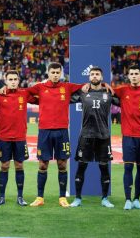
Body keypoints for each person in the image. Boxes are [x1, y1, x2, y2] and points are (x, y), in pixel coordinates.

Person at [25, 62, 84, 207]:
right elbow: (24, 93)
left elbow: (86, 86)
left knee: (62, 164)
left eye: (58, 72)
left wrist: (104, 86)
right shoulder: (40, 87)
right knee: (43, 164)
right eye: (53, 72)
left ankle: (62, 197)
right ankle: (40, 198)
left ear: (61, 73)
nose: (56, 75)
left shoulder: (67, 87)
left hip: (62, 131)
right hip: (44, 131)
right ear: (48, 73)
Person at [69, 66, 118, 208]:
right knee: (81, 166)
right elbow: (64, 97)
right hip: (86, 135)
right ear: (89, 77)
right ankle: (77, 198)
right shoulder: (83, 92)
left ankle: (104, 198)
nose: (94, 76)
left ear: (102, 78)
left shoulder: (108, 93)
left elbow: (125, 100)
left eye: (97, 74)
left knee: (104, 167)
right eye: (92, 74)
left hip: (103, 136)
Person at [0, 70, 37, 206]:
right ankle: (1, 197)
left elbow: (40, 100)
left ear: (18, 81)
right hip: (4, 137)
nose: (13, 81)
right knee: (4, 166)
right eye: (10, 79)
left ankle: (20, 197)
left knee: (19, 165)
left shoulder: (24, 93)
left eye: (15, 79)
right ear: (5, 81)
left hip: (20, 137)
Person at [114, 66, 140, 210]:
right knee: (128, 167)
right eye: (131, 74)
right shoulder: (122, 90)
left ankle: (137, 199)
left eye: (136, 74)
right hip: (128, 136)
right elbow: (107, 90)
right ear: (128, 76)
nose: (133, 76)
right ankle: (127, 199)